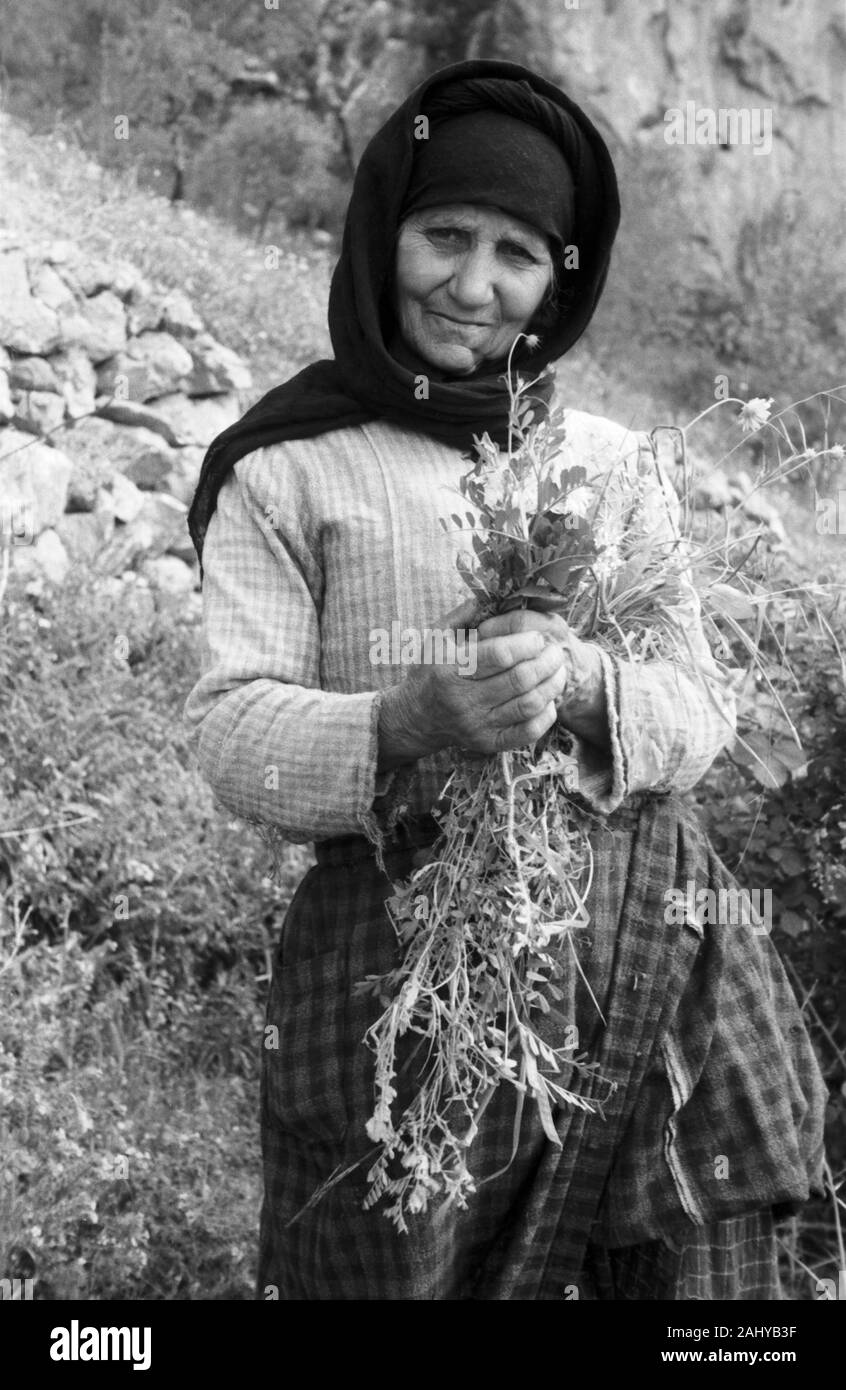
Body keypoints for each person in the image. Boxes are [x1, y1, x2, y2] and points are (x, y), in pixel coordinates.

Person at [184, 59, 826, 1301]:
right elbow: (229, 731)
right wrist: (411, 718)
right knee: (387, 1264)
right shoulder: (288, 468)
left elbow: (700, 709)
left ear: (559, 279)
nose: (474, 287)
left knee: (698, 1283)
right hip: (406, 963)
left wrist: (588, 679)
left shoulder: (610, 461)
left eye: (518, 253)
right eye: (445, 234)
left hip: (651, 953)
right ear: (386, 230)